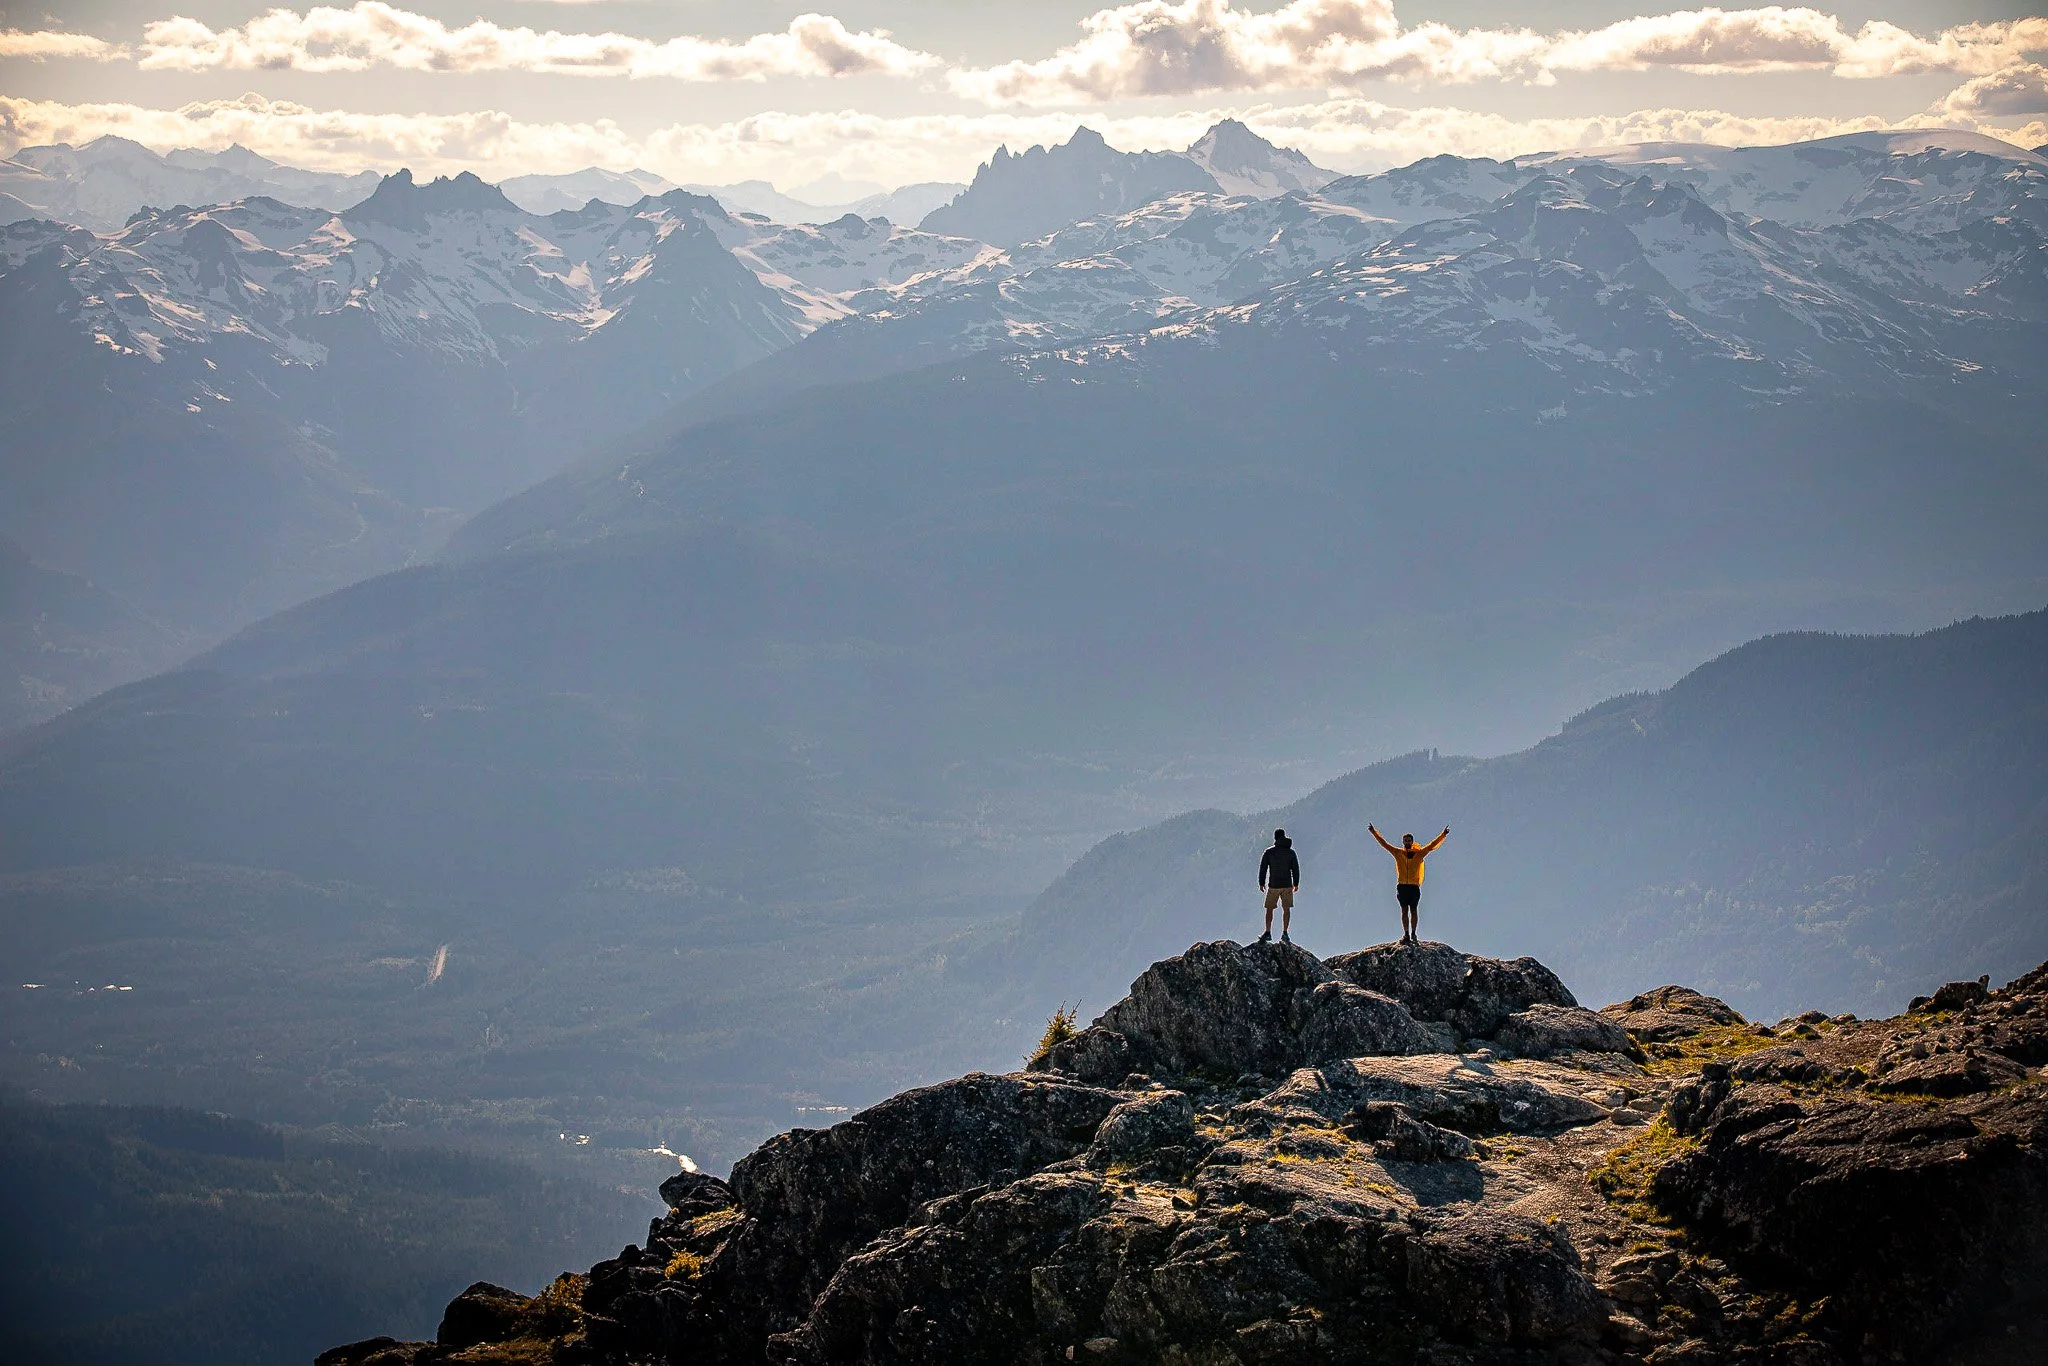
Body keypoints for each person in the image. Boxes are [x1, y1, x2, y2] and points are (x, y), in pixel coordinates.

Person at [1369, 824, 1448, 945]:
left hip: (1413, 887)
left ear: (1412, 841)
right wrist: (1374, 832)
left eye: (1409, 840)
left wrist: (1443, 835)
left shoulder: (1419, 854)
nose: (1407, 842)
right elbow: (1384, 844)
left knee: (1414, 910)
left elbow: (1432, 846)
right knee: (1404, 911)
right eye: (1405, 840)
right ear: (1403, 842)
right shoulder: (1397, 852)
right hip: (1402, 886)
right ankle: (1406, 934)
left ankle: (1413, 933)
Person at [1257, 829, 1300, 944]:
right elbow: (1295, 869)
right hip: (1287, 885)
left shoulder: (1269, 852)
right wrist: (1296, 883)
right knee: (1286, 909)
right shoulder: (1291, 852)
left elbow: (1263, 868)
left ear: (1275, 838)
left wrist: (1261, 883)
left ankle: (1267, 932)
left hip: (1273, 885)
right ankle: (1285, 933)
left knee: (1269, 909)